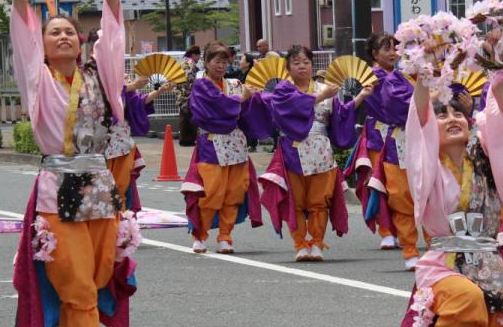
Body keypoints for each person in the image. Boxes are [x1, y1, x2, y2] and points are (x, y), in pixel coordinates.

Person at [8, 0, 135, 327]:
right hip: (56, 188)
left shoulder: (100, 76)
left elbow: (114, 39)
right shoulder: (36, 80)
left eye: (69, 31)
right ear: (41, 44)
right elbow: (20, 36)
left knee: (97, 275)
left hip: (100, 186)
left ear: (80, 41)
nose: (62, 36)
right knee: (75, 277)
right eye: (53, 32)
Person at [362, 74, 503, 327]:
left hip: (487, 262)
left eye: (459, 114)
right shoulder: (426, 167)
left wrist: (499, 76)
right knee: (465, 298)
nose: (453, 119)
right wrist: (425, 75)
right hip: (444, 263)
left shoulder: (486, 161)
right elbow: (418, 125)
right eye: (442, 115)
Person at [256, 45, 362, 261]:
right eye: (296, 63)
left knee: (319, 201)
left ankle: (316, 242)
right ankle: (300, 243)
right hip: (293, 152)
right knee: (295, 200)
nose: (302, 67)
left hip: (321, 151)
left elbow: (341, 116)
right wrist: (320, 96)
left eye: (306, 62)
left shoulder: (327, 89)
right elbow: (289, 109)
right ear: (288, 67)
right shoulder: (284, 91)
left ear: (312, 66)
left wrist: (360, 98)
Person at [182, 41, 262, 254]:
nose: (221, 66)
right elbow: (216, 105)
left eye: (225, 62)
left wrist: (254, 98)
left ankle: (225, 236)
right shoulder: (201, 85)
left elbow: (245, 111)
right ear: (207, 63)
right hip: (211, 143)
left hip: (235, 144)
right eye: (217, 61)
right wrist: (241, 99)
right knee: (211, 192)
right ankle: (199, 234)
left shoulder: (235, 84)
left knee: (234, 193)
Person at [342, 32, 408, 258]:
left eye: (394, 48)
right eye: (386, 48)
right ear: (374, 53)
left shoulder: (402, 75)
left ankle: (400, 228)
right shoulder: (372, 76)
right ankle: (385, 230)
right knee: (378, 183)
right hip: (377, 135)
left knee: (398, 185)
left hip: (398, 134)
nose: (392, 53)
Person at [106, 74, 175, 210]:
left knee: (123, 186)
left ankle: (123, 220)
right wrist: (132, 86)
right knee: (106, 188)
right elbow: (104, 94)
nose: (127, 78)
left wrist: (160, 90)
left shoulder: (125, 86)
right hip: (102, 146)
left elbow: (139, 102)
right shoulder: (99, 82)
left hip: (123, 145)